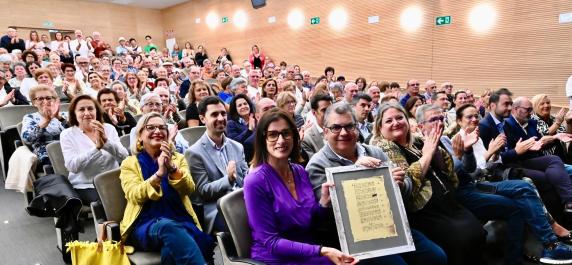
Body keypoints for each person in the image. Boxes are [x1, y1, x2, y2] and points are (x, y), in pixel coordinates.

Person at [306, 102, 447, 265]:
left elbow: (406, 189)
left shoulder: (375, 152)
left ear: (357, 128)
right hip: (357, 241)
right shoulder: (317, 165)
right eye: (336, 127)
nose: (344, 133)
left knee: (436, 257)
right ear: (325, 132)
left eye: (349, 126)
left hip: (391, 228)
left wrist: (400, 184)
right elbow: (329, 219)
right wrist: (355, 171)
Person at [453, 103, 572, 264]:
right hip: (476, 186)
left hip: (489, 179)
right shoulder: (457, 140)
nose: (474, 119)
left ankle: (535, 247)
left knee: (532, 185)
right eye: (469, 117)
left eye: (476, 116)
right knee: (525, 185)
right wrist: (491, 152)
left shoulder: (477, 136)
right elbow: (469, 174)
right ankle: (551, 240)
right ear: (459, 121)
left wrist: (496, 154)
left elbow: (489, 165)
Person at [368, 102, 485, 265]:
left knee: (477, 232)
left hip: (447, 205)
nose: (396, 123)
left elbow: (448, 171)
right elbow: (407, 183)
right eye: (389, 121)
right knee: (461, 239)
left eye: (400, 117)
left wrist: (434, 149)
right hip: (422, 213)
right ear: (380, 127)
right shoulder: (384, 147)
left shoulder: (416, 141)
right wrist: (427, 154)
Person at [244, 108, 359, 265]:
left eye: (286, 133)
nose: (281, 140)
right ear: (262, 139)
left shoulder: (299, 171)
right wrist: (322, 250)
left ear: (294, 136)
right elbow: (270, 241)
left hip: (308, 251)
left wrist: (323, 203)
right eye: (272, 135)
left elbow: (310, 221)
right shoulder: (255, 181)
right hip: (276, 259)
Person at [119, 112, 214, 264]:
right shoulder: (129, 163)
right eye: (150, 127)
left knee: (171, 251)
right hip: (145, 224)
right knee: (167, 227)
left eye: (162, 127)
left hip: (180, 218)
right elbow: (134, 194)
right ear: (140, 136)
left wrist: (172, 169)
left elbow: (189, 189)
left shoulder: (178, 158)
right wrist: (159, 174)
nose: (157, 131)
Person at [479, 89, 572, 214]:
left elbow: (537, 142)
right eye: (506, 104)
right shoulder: (491, 125)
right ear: (492, 106)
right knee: (545, 176)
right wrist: (519, 150)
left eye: (510, 104)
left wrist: (555, 138)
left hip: (524, 159)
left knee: (554, 160)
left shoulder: (527, 122)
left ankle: (569, 203)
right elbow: (491, 160)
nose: (509, 108)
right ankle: (558, 217)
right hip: (507, 167)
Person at [187, 96, 248, 234]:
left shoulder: (237, 147)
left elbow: (245, 178)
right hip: (218, 209)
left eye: (223, 113)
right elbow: (202, 191)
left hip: (244, 201)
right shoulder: (194, 153)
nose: (221, 118)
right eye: (214, 114)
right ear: (203, 119)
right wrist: (228, 179)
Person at [60, 94, 128, 205]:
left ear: (96, 111)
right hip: (86, 185)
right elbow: (72, 167)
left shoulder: (109, 128)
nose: (87, 113)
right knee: (109, 202)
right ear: (74, 113)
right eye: (81, 109)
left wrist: (106, 142)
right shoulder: (67, 134)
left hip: (114, 181)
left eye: (90, 108)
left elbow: (125, 157)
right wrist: (96, 149)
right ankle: (104, 222)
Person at [21, 85, 67, 166]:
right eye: (40, 99)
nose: (45, 101)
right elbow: (27, 139)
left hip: (69, 149)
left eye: (48, 98)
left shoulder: (65, 115)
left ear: (54, 100)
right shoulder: (30, 117)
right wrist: (45, 122)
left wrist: (59, 118)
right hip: (47, 154)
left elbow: (80, 131)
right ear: (34, 103)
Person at [226, 94, 256, 163]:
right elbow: (233, 143)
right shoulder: (231, 123)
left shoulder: (256, 120)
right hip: (244, 160)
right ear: (235, 109)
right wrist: (249, 130)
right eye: (239, 105)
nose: (243, 106)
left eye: (245, 104)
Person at [301, 94, 332, 159]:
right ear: (314, 113)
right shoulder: (307, 139)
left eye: (330, 109)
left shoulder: (341, 131)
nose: (328, 113)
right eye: (324, 110)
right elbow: (314, 165)